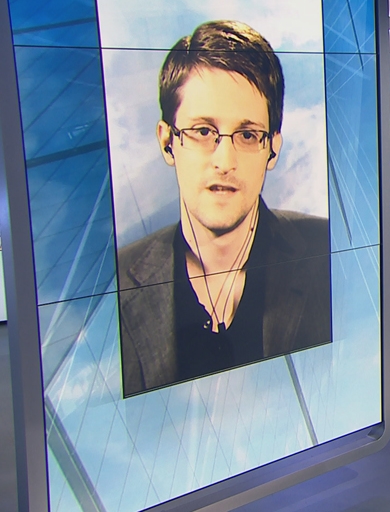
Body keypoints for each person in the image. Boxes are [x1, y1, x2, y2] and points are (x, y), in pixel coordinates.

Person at [117, 20, 332, 397]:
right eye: (203, 131)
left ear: (272, 149)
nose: (225, 161)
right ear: (167, 142)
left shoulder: (327, 251)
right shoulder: (117, 278)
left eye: (248, 135)